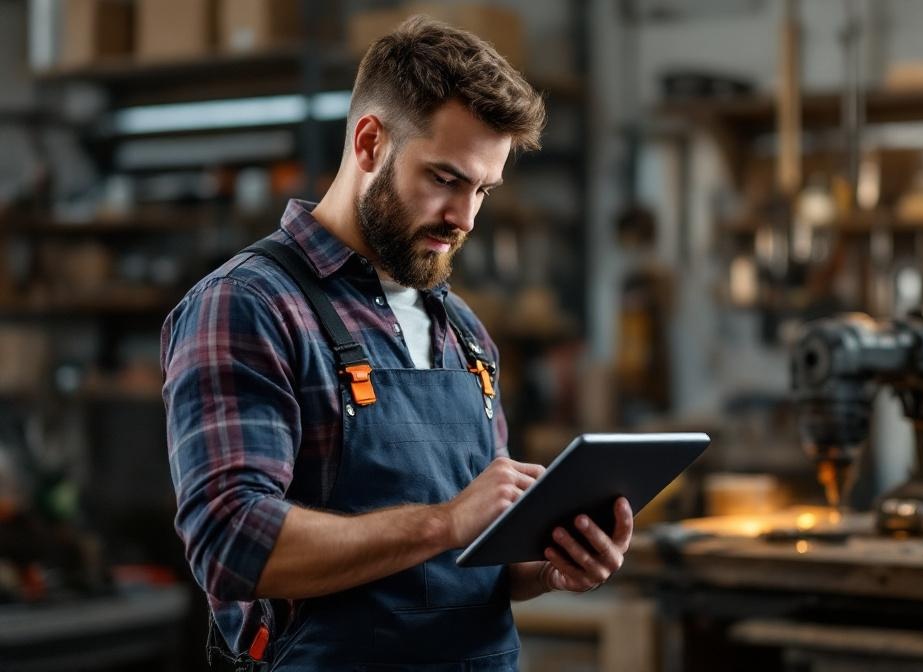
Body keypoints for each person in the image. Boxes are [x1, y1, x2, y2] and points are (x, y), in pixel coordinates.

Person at [160, 17, 633, 671]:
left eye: (482, 190)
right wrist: (443, 521)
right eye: (445, 178)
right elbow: (232, 541)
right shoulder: (249, 305)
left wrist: (548, 565)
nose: (465, 217)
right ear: (369, 142)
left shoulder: (462, 330)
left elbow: (472, 556)